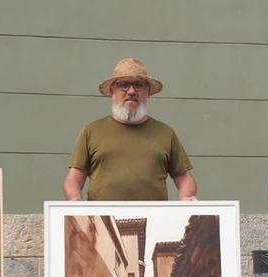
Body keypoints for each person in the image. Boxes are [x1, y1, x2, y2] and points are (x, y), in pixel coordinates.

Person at [63, 58, 197, 201]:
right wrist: (74, 199)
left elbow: (184, 178)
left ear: (148, 92)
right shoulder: (91, 131)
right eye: (124, 84)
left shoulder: (166, 133)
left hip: (155, 221)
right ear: (112, 90)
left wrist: (186, 197)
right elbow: (73, 179)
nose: (131, 91)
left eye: (139, 85)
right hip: (102, 221)